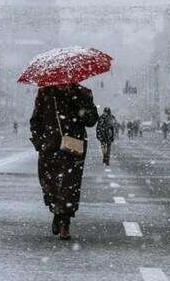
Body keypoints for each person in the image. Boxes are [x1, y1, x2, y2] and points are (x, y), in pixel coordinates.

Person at [30, 82, 98, 241]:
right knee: (49, 181)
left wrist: (81, 104)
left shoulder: (82, 93)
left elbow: (91, 120)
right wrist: (40, 141)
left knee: (70, 184)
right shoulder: (45, 92)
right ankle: (56, 212)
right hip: (50, 146)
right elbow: (36, 119)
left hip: (72, 146)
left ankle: (65, 221)